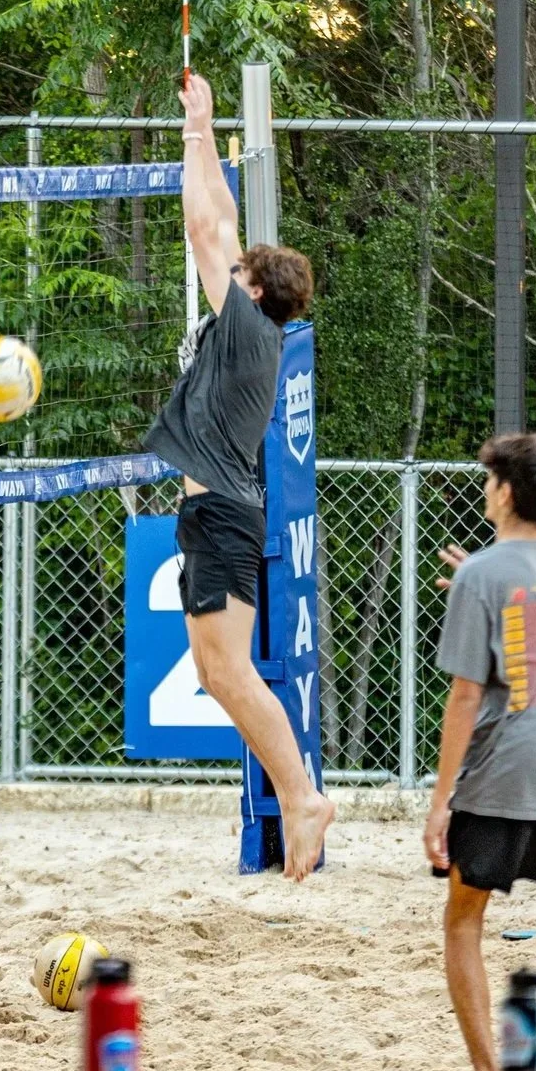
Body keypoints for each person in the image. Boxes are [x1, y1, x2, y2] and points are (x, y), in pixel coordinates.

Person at [144, 70, 336, 882]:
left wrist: (197, 131)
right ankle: (298, 794)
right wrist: (202, 124)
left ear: (254, 291)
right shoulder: (256, 328)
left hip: (222, 512)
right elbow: (217, 222)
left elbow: (202, 227)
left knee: (227, 672)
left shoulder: (249, 331)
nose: (224, 272)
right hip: (216, 513)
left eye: (237, 272)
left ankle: (300, 795)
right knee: (219, 673)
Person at [425, 432, 536, 1071]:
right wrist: (485, 576)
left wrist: (440, 799)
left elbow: (466, 693)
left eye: (487, 480)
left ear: (503, 491)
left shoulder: (480, 576)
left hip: (502, 769)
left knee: (462, 919)